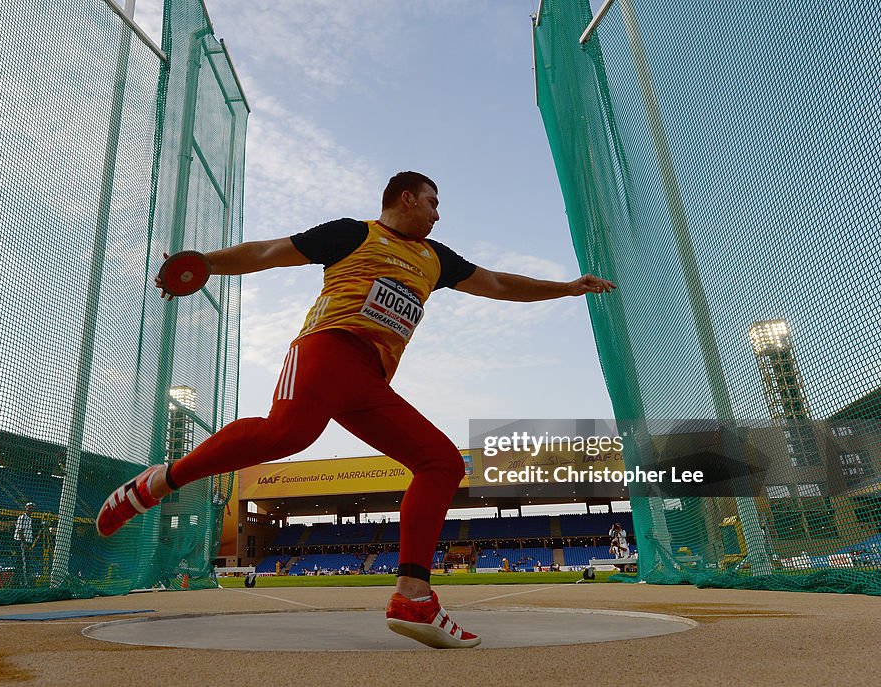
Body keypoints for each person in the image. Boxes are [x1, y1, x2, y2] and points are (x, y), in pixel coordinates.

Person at [97, 171, 615, 648]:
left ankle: (413, 597)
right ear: (406, 198)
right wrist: (209, 263)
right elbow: (271, 251)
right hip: (326, 349)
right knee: (287, 436)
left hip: (369, 380)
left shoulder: (437, 258)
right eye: (433, 202)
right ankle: (160, 482)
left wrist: (566, 289)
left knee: (441, 463)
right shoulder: (354, 234)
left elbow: (500, 285)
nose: (438, 214)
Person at [14, 502, 35, 587]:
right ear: (25, 508)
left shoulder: (29, 519)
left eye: (32, 508)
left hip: (27, 543)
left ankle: (18, 583)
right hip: (21, 543)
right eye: (29, 508)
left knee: (21, 563)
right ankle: (24, 583)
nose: (30, 510)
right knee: (23, 564)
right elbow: (20, 531)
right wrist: (24, 543)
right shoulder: (22, 518)